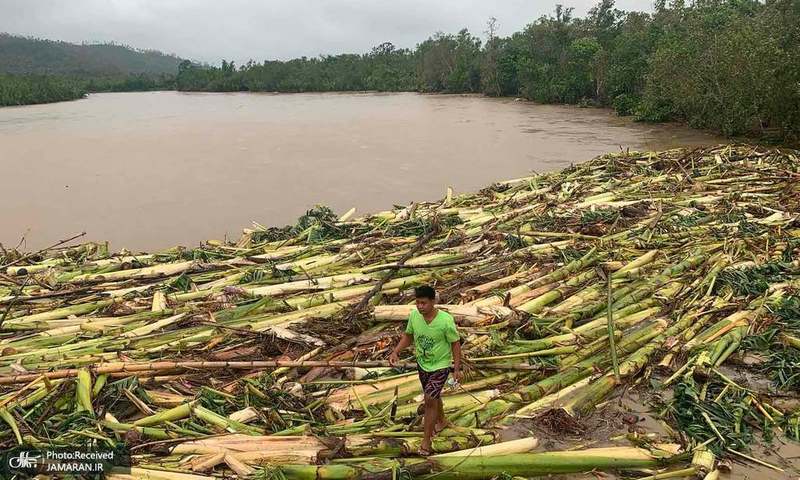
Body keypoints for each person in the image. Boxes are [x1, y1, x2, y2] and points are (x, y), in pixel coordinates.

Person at [388, 285, 462, 456]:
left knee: (429, 399)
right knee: (434, 396)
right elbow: (409, 336)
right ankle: (442, 420)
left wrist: (456, 368)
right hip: (423, 364)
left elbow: (455, 343)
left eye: (424, 303)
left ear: (433, 302)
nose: (420, 307)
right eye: (418, 303)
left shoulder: (445, 320)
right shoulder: (414, 316)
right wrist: (396, 351)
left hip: (440, 365)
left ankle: (426, 440)